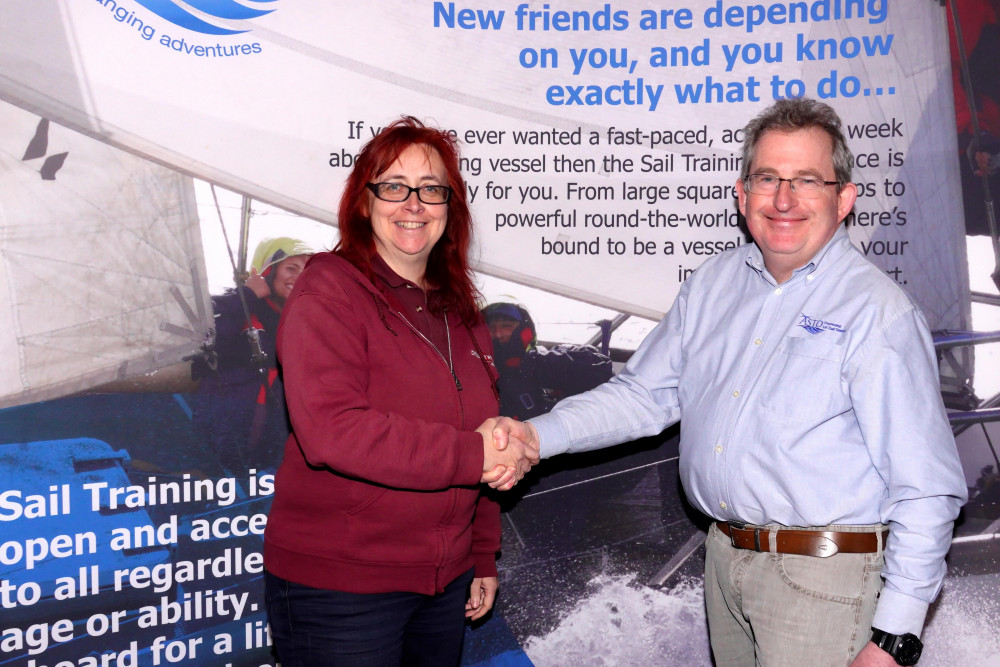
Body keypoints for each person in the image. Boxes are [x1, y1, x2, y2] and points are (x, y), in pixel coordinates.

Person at [492, 98, 967, 666]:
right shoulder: (712, 284)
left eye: (807, 180)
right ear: (742, 195)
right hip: (723, 562)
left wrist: (894, 636)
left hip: (826, 583)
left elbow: (928, 489)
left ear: (843, 199)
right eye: (768, 178)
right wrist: (536, 437)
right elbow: (647, 394)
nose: (784, 199)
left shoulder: (878, 314)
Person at [263, 116, 537, 666]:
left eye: (431, 189)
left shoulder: (462, 311)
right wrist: (473, 452)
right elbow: (332, 431)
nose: (413, 203)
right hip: (342, 587)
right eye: (394, 186)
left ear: (450, 208)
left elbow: (481, 440)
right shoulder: (328, 287)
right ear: (364, 201)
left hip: (443, 582)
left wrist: (481, 553)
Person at [192, 237, 313, 473]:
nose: (300, 277)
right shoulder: (236, 307)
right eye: (291, 268)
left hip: (280, 442)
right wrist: (246, 295)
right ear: (267, 271)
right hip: (230, 434)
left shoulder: (306, 320)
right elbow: (203, 335)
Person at [482, 301, 612, 420]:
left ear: (525, 332)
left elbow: (601, 368)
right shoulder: (479, 370)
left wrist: (538, 364)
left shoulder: (540, 360)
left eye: (506, 326)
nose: (497, 334)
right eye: (491, 327)